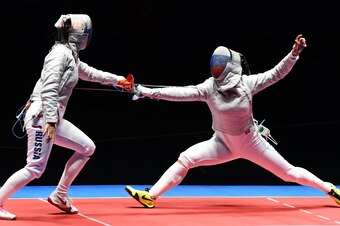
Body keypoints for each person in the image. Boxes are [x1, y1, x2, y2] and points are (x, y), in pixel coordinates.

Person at [125, 34, 340, 208]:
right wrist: (144, 91)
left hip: (251, 142)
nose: (216, 67)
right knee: (186, 159)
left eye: (220, 63)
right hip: (222, 143)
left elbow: (277, 74)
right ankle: (150, 196)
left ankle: (329, 189)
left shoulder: (248, 83)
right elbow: (179, 93)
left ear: (229, 66)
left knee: (289, 174)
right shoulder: (209, 87)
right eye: (215, 63)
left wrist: (293, 55)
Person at [0, 14, 133, 220]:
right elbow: (50, 87)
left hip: (52, 117)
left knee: (87, 148)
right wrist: (51, 120)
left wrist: (119, 81)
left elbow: (91, 73)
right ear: (80, 35)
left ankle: (60, 195)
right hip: (43, 117)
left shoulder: (70, 55)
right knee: (35, 168)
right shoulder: (59, 54)